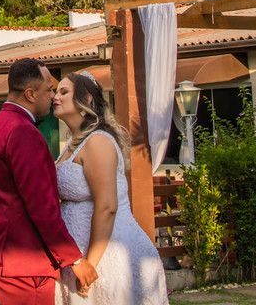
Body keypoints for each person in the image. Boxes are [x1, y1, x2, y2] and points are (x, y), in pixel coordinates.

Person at [0, 58, 98, 305]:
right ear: (30, 94)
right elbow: (41, 207)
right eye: (49, 90)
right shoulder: (23, 132)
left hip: (2, 257)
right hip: (22, 261)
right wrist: (73, 259)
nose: (52, 96)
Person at [53, 71, 169, 305]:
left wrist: (91, 264)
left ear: (85, 101)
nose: (55, 96)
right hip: (78, 253)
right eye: (56, 91)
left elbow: (107, 206)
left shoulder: (98, 141)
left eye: (63, 92)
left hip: (108, 252)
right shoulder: (70, 145)